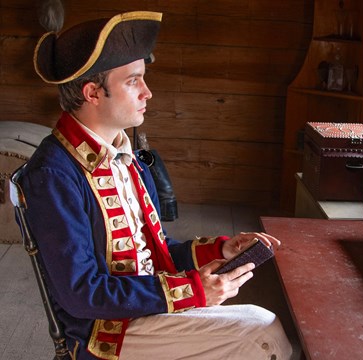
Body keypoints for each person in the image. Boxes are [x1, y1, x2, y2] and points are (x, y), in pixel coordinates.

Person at [22, 10, 293, 360]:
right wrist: (193, 291)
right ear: (92, 92)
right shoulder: (53, 174)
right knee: (261, 338)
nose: (148, 93)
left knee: (264, 327)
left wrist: (222, 250)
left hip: (147, 307)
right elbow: (80, 293)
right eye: (133, 81)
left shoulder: (126, 155)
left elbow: (155, 252)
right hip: (106, 332)